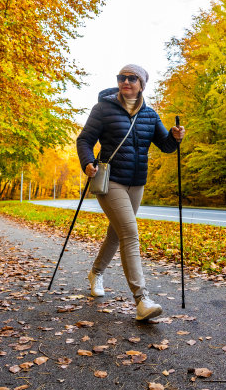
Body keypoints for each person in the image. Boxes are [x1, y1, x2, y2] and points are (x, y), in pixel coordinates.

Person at [76, 64, 185, 321]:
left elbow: (166, 146)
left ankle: (96, 273)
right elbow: (84, 140)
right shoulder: (103, 109)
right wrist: (87, 162)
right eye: (122, 77)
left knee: (116, 234)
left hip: (137, 183)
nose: (126, 81)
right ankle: (142, 299)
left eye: (132, 78)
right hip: (109, 180)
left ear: (141, 84)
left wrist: (175, 136)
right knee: (130, 233)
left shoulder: (149, 114)